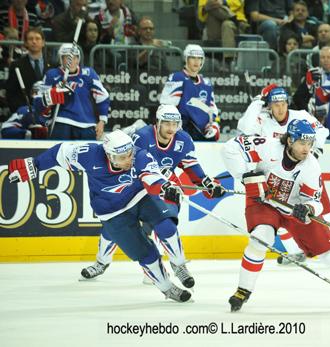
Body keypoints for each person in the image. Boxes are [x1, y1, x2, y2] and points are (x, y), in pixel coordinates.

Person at [7, 129, 193, 302]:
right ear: (109, 155)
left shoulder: (140, 155)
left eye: (129, 154)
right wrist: (35, 164)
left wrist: (165, 187)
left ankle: (179, 264)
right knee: (145, 254)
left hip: (140, 197)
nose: (128, 160)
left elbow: (152, 178)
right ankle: (167, 288)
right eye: (122, 157)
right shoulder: (89, 155)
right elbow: (60, 152)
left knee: (167, 225)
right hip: (112, 211)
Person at [222, 119, 330, 312]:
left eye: (310, 143)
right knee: (260, 238)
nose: (307, 149)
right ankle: (243, 290)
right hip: (264, 202)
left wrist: (308, 209)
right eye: (302, 143)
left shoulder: (311, 167)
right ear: (290, 140)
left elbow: (316, 201)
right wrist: (244, 175)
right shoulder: (267, 147)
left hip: (294, 208)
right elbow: (229, 148)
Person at [80, 105, 226, 286]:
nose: (171, 129)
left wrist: (206, 183)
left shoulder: (184, 140)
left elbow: (191, 166)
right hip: (134, 190)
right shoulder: (141, 137)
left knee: (165, 226)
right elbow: (127, 167)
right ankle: (102, 262)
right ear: (157, 122)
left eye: (175, 124)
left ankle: (178, 265)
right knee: (114, 227)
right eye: (167, 124)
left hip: (162, 190)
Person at [237, 85, 330, 264]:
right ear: (269, 106)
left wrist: (317, 149)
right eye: (275, 104)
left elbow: (322, 131)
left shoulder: (301, 116)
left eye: (283, 103)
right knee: (278, 211)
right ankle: (295, 253)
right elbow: (245, 127)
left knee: (323, 211)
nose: (280, 108)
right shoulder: (263, 119)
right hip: (276, 176)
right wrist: (258, 100)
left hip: (302, 173)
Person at [35, 42, 109, 140]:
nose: (72, 61)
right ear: (61, 59)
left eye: (75, 58)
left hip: (86, 124)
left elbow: (103, 96)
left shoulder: (88, 73)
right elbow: (38, 101)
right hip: (61, 122)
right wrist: (48, 97)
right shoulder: (52, 75)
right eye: (68, 58)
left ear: (79, 59)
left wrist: (102, 122)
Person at [159, 44, 220, 142]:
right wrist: (175, 127)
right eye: (192, 58)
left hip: (203, 132)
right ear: (186, 59)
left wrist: (214, 125)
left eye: (199, 58)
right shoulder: (177, 78)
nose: (196, 61)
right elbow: (166, 107)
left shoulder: (207, 83)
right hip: (183, 130)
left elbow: (212, 111)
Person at [6, 27, 50, 113]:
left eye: (37, 38)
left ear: (43, 42)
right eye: (30, 39)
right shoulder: (16, 65)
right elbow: (11, 93)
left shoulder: (53, 65)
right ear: (26, 43)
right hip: (25, 112)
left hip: (49, 112)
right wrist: (22, 110)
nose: (34, 41)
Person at [292, 46, 330, 120]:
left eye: (329, 57)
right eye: (323, 57)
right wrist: (307, 112)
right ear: (320, 59)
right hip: (315, 117)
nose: (325, 60)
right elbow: (298, 98)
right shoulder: (313, 73)